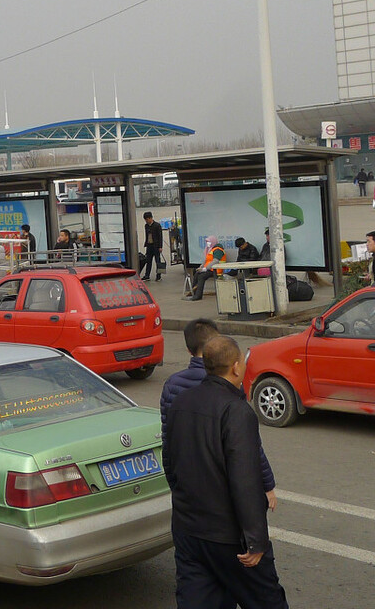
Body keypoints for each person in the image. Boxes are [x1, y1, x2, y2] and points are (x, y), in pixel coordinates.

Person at [163, 334, 289, 609]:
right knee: (266, 600)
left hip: (189, 531)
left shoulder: (181, 402)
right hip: (228, 537)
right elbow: (245, 479)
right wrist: (255, 540)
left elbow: (169, 464)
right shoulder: (236, 410)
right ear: (235, 367)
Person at [160, 319, 278, 513]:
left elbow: (168, 440)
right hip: (221, 488)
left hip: (188, 484)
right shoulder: (229, 387)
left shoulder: (173, 385)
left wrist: (175, 485)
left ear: (190, 351)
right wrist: (267, 484)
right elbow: (249, 444)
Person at [141, 212, 163, 282]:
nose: (146, 221)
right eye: (145, 220)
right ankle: (147, 275)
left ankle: (159, 276)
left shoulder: (157, 225)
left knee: (158, 261)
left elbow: (160, 237)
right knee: (148, 261)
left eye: (147, 219)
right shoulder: (146, 226)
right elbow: (146, 235)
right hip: (149, 245)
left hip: (156, 246)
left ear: (151, 218)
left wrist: (160, 246)